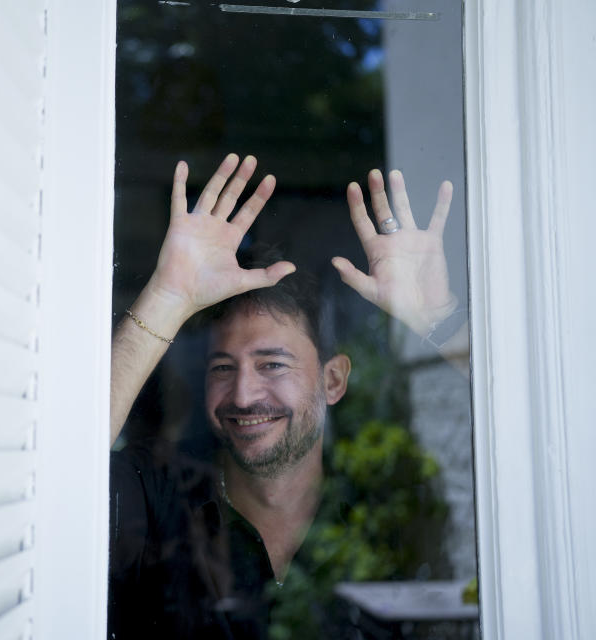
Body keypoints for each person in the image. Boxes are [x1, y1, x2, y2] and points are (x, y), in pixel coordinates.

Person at [108, 153, 465, 638]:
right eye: (222, 368)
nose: (243, 393)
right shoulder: (156, 499)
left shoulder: (383, 511)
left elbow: (536, 477)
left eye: (272, 364)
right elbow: (57, 475)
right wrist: (167, 298)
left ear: (333, 381)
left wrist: (441, 326)